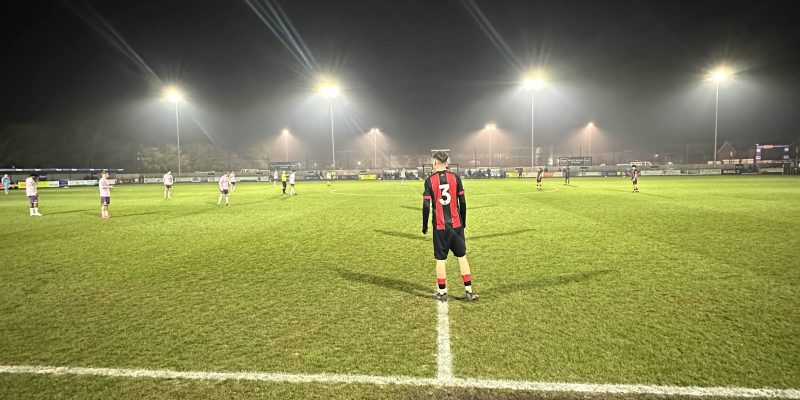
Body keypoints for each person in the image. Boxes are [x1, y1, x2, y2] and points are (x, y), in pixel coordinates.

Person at [422, 151, 477, 302]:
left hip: (440, 227)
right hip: (456, 225)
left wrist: (424, 225)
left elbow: (426, 205)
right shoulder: (455, 178)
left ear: (434, 162)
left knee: (440, 259)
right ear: (447, 162)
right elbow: (463, 203)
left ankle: (442, 292)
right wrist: (463, 222)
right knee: (462, 257)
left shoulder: (429, 180)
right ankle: (469, 291)